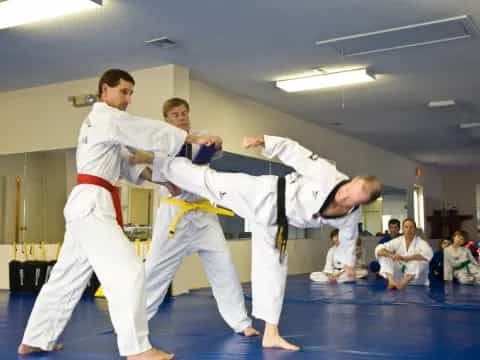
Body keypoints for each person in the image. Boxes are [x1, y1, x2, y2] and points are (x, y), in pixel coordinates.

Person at [18, 69, 215, 360]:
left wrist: (164, 180)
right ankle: (137, 349)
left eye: (131, 93)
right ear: (105, 90)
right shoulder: (106, 118)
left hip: (85, 204)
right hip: (93, 204)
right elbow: (146, 130)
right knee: (129, 271)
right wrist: (192, 138)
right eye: (124, 92)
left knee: (66, 277)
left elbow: (126, 163)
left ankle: (34, 339)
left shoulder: (99, 125)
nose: (128, 99)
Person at [130, 134, 382, 351]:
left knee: (274, 272)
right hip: (264, 193)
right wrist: (263, 141)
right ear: (353, 179)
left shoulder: (351, 216)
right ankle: (155, 160)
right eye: (349, 187)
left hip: (276, 224)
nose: (344, 194)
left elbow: (349, 238)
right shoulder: (328, 174)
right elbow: (295, 152)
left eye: (351, 198)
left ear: (359, 204)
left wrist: (348, 264)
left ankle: (271, 334)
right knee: (210, 181)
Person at [142, 97, 258, 336]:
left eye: (184, 113)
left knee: (223, 265)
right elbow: (154, 171)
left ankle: (241, 322)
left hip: (203, 214)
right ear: (166, 119)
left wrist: (217, 142)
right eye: (175, 114)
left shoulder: (199, 138)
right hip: (174, 214)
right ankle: (134, 322)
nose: (181, 117)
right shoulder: (160, 145)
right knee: (154, 269)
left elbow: (216, 146)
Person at [375, 218, 433, 289]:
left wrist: (408, 258)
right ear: (403, 229)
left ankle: (402, 284)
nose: (408, 230)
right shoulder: (398, 240)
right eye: (406, 227)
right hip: (401, 272)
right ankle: (391, 281)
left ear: (415, 229)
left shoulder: (421, 242)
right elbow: (379, 249)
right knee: (384, 256)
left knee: (421, 261)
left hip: (416, 280)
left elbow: (429, 254)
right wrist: (391, 255)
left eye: (411, 227)